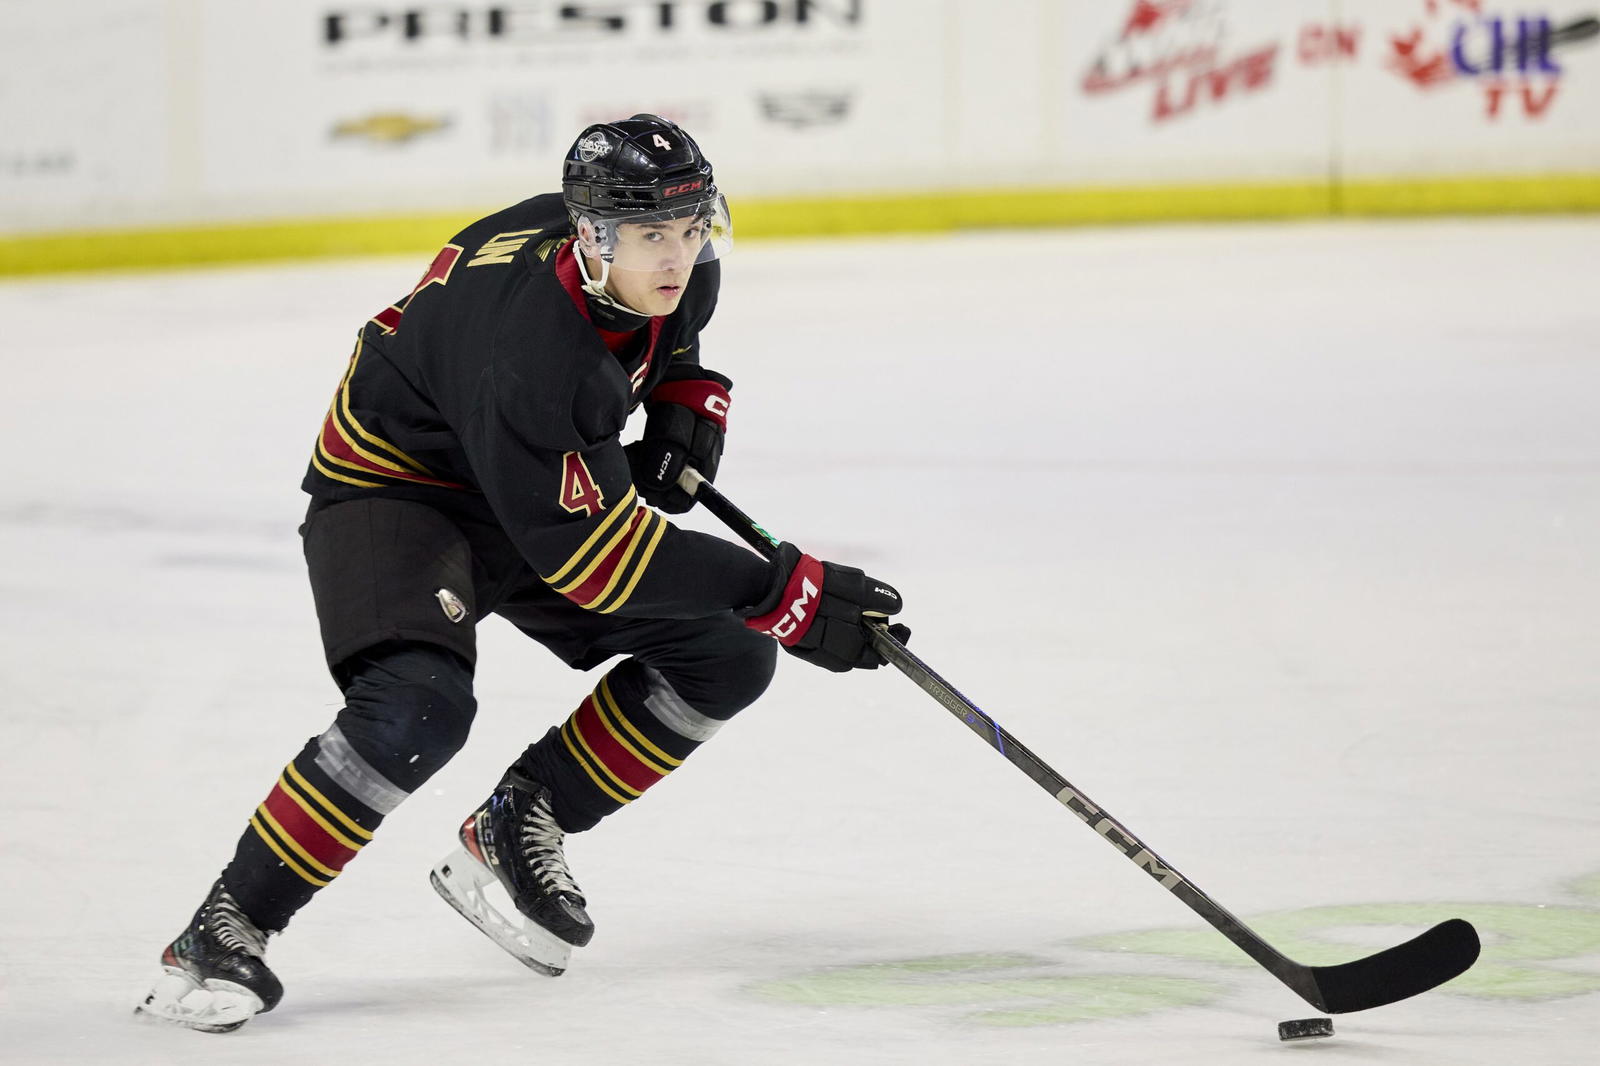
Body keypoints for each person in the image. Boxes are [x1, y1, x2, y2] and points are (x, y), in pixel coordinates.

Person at [135, 114, 907, 1033]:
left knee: (727, 656)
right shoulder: (529, 348)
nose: (678, 255)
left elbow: (665, 346)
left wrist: (683, 393)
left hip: (524, 477)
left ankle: (522, 816)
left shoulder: (675, 269)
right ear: (592, 237)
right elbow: (598, 563)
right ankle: (224, 927)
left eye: (692, 227)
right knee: (415, 708)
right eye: (652, 236)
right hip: (401, 488)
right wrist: (778, 590)